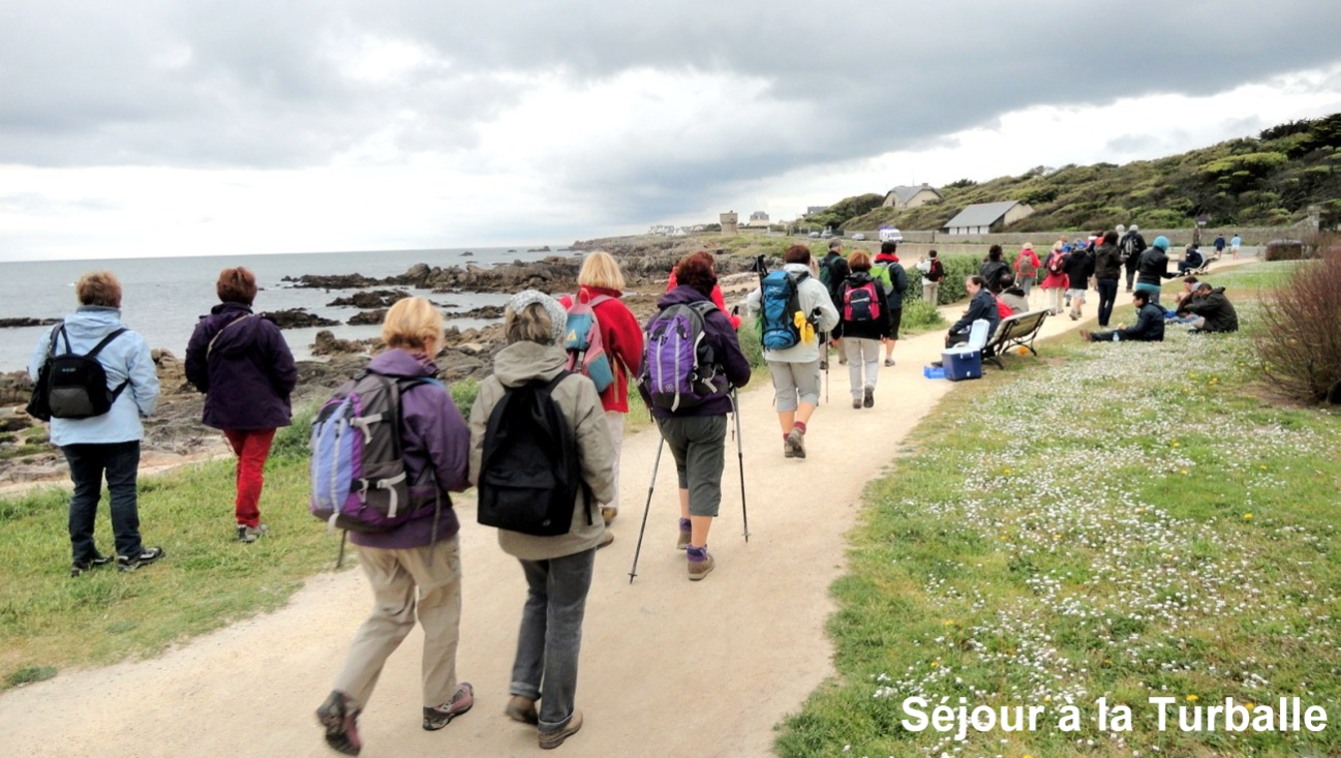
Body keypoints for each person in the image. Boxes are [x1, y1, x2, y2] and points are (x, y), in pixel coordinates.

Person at [315, 297, 474, 756]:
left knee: (388, 612)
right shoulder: (428, 392)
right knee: (440, 607)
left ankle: (343, 699)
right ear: (429, 338)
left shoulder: (355, 387)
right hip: (424, 528)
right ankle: (440, 701)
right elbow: (457, 471)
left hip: (364, 527)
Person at [468, 291, 615, 749]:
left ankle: (522, 689)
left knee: (537, 598)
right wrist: (607, 501)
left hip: (516, 523)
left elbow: (477, 463)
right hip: (570, 525)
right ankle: (555, 718)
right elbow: (598, 461)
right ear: (556, 331)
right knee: (566, 613)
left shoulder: (491, 387)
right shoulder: (574, 386)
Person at [29, 271, 163, 576]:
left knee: (84, 490)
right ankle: (129, 553)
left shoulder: (55, 335)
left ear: (81, 298)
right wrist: (142, 412)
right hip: (119, 429)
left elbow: (37, 374)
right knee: (122, 489)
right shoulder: (128, 339)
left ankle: (83, 556)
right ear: (116, 300)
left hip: (70, 428)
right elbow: (147, 386)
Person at [640, 253, 751, 576]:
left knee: (685, 468)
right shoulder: (714, 317)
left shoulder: (657, 318)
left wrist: (655, 407)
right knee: (705, 476)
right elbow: (741, 372)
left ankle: (686, 526)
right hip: (706, 413)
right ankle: (698, 555)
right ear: (710, 282)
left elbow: (642, 370)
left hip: (665, 413)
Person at [184, 267, 297, 543]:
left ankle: (246, 518)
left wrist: (209, 389)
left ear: (220, 292)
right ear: (252, 292)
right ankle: (247, 522)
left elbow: (193, 366)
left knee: (247, 462)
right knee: (252, 464)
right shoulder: (265, 328)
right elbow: (286, 370)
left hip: (225, 408)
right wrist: (279, 394)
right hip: (263, 409)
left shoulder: (206, 327)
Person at [558, 251, 644, 534]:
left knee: (573, 452)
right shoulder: (615, 309)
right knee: (608, 453)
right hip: (606, 393)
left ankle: (577, 509)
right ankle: (606, 507)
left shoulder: (566, 305)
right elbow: (636, 355)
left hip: (568, 392)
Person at [743, 244, 839, 460]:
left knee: (784, 394)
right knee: (809, 392)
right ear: (808, 262)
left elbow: (751, 301)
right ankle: (798, 429)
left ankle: (788, 441)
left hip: (774, 349)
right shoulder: (814, 285)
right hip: (804, 349)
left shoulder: (771, 281)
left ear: (785, 261)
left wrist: (761, 319)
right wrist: (815, 327)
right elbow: (832, 318)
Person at [835, 250, 892, 408]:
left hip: (850, 329)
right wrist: (886, 331)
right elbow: (885, 309)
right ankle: (870, 386)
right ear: (868, 265)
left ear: (851, 265)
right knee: (872, 361)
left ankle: (856, 397)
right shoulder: (875, 283)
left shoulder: (845, 285)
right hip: (872, 329)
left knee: (854, 363)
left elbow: (837, 310)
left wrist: (835, 334)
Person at [871, 241, 907, 366]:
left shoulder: (874, 266)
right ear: (893, 251)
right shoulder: (896, 267)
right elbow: (903, 285)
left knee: (876, 329)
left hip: (875, 303)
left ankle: (873, 358)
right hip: (893, 303)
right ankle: (888, 358)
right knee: (892, 330)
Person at [1080, 290, 1165, 342]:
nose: (1133, 302)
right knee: (1120, 331)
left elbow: (1138, 330)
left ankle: (1094, 337)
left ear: (1141, 300)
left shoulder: (1146, 311)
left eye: (1135, 299)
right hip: (1154, 334)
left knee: (1121, 333)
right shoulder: (1149, 308)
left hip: (1151, 336)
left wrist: (1126, 328)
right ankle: (1094, 336)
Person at [945, 275, 1001, 349]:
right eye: (967, 287)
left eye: (970, 286)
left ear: (978, 285)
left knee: (951, 339)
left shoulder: (980, 299)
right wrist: (971, 312)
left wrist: (951, 331)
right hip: (991, 331)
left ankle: (954, 360)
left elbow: (967, 319)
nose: (967, 289)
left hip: (984, 335)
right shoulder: (987, 295)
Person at [818, 239, 850, 362]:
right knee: (838, 325)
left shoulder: (821, 262)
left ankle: (823, 359)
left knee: (823, 326)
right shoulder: (842, 262)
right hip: (838, 298)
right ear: (839, 248)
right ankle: (843, 357)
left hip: (822, 297)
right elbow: (847, 282)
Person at [1134, 235, 1180, 306]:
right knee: (1154, 305)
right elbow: (1164, 274)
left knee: (1140, 305)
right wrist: (1175, 274)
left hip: (1141, 283)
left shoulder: (1144, 253)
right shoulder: (1163, 257)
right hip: (1153, 284)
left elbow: (1137, 267)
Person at [1092, 231, 1123, 327]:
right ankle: (1105, 322)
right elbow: (1118, 261)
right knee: (1110, 301)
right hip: (1111, 276)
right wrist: (1124, 259)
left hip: (1100, 276)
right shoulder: (1113, 249)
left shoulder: (1098, 248)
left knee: (1102, 300)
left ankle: (1100, 321)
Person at [1063, 241, 1094, 321]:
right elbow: (1091, 268)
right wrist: (1089, 275)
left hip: (1072, 277)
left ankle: (1079, 311)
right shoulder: (1087, 257)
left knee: (1076, 293)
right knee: (1079, 294)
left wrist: (1069, 272)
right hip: (1082, 277)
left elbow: (1064, 268)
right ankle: (1074, 310)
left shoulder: (1070, 257)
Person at [1040, 243, 1069, 315]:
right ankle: (1060, 308)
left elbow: (1045, 265)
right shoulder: (1065, 255)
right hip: (1062, 276)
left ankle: (1052, 309)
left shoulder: (1051, 254)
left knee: (1052, 294)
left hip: (1052, 276)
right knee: (1060, 293)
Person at [1120, 224, 1148, 292]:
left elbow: (1121, 246)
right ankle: (1140, 286)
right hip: (1137, 257)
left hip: (1127, 257)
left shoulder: (1124, 236)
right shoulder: (1138, 236)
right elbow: (1144, 247)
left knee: (1129, 271)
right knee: (1140, 271)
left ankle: (1129, 285)